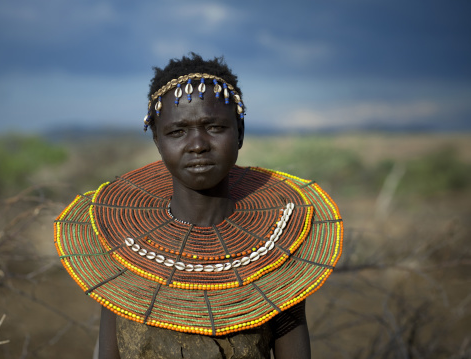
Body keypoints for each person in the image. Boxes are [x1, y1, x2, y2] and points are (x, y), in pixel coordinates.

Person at [54, 53, 343, 359]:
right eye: (177, 132)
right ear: (157, 141)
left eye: (215, 127)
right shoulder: (125, 250)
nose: (197, 145)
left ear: (240, 133)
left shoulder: (278, 252)